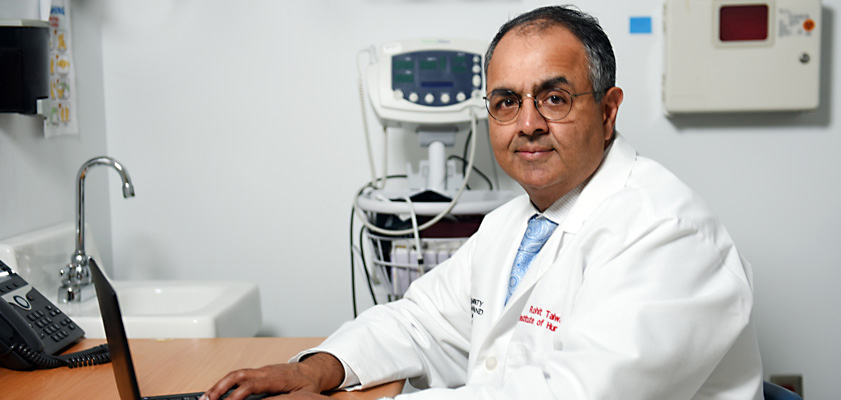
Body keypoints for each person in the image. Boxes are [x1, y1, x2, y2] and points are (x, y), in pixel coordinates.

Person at [202, 5, 763, 400]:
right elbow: (420, 321)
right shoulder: (512, 223)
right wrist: (320, 369)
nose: (528, 124)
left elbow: (575, 394)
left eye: (555, 98)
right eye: (505, 102)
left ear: (609, 110)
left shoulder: (666, 231)